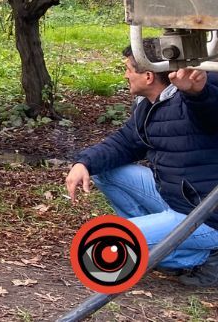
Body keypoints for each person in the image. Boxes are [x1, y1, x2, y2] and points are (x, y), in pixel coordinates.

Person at [64, 42, 218, 286]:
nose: (125, 75)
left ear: (148, 76)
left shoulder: (190, 98)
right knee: (105, 171)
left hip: (205, 217)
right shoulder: (148, 106)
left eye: (128, 69)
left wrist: (198, 92)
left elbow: (210, 112)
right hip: (176, 200)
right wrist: (84, 163)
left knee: (98, 247)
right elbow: (124, 143)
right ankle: (155, 241)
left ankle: (201, 257)